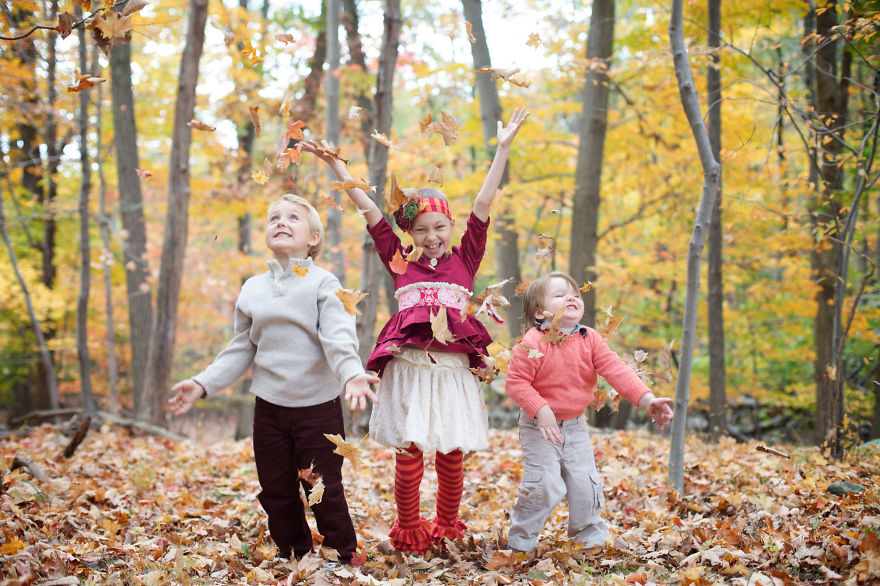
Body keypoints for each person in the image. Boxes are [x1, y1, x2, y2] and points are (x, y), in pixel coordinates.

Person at [303, 106, 530, 554]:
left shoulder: (464, 259)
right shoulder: (399, 260)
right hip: (409, 368)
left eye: (440, 226)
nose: (431, 236)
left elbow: (483, 205)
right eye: (422, 228)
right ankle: (409, 528)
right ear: (410, 231)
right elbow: (369, 211)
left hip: (451, 373)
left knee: (450, 455)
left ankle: (446, 524)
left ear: (450, 226)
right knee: (409, 454)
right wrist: (334, 164)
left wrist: (502, 150)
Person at [166, 193, 380, 565]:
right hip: (269, 410)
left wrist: (352, 374)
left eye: (293, 217)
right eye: (274, 218)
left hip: (317, 409)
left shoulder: (324, 283)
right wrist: (202, 383)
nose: (281, 222)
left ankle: (342, 556)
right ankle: (294, 552)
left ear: (313, 238)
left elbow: (338, 335)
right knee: (276, 490)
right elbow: (240, 349)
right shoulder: (253, 288)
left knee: (322, 488)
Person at [505, 271, 674, 552]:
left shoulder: (589, 338)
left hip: (575, 426)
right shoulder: (533, 343)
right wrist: (540, 409)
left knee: (585, 483)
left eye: (574, 294)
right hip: (539, 427)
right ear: (539, 311)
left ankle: (587, 540)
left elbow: (617, 371)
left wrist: (647, 400)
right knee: (544, 483)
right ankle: (521, 543)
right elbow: (516, 383)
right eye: (559, 295)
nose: (571, 297)